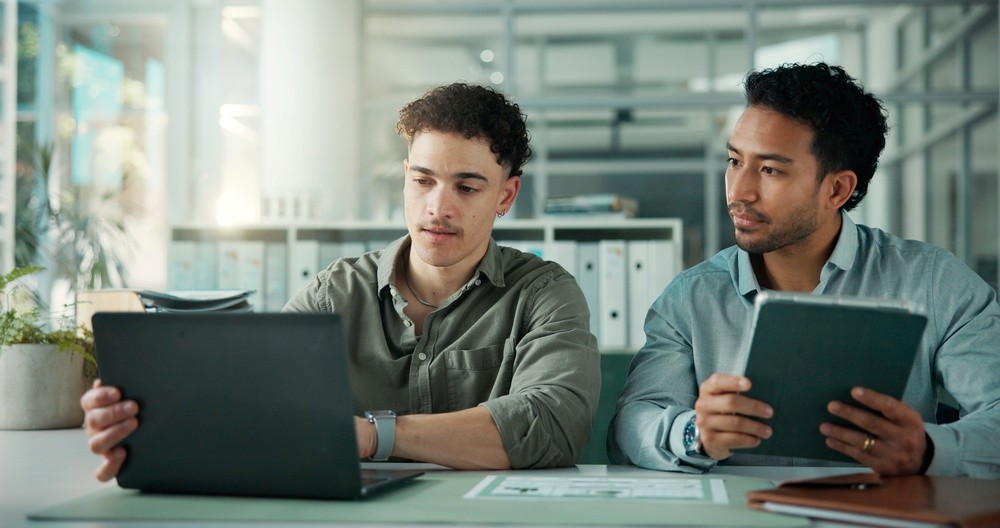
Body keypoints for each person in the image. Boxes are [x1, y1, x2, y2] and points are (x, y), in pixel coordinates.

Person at [82, 82, 601, 479]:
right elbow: (253, 400)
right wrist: (143, 423)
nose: (437, 207)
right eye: (422, 181)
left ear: (506, 197)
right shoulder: (337, 291)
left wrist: (373, 436)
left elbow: (552, 426)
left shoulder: (543, 294)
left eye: (467, 187)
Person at [608, 62, 1000, 478]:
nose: (739, 192)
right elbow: (631, 426)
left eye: (770, 170)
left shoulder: (934, 282)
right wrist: (693, 434)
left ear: (837, 189)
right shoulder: (691, 297)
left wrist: (927, 451)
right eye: (734, 161)